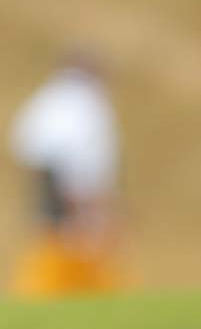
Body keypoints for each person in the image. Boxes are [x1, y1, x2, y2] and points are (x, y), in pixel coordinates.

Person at [7, 50, 125, 298]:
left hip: (51, 191)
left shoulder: (48, 98)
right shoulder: (83, 101)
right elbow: (80, 160)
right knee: (79, 257)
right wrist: (84, 206)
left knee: (53, 257)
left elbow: (24, 144)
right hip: (71, 195)